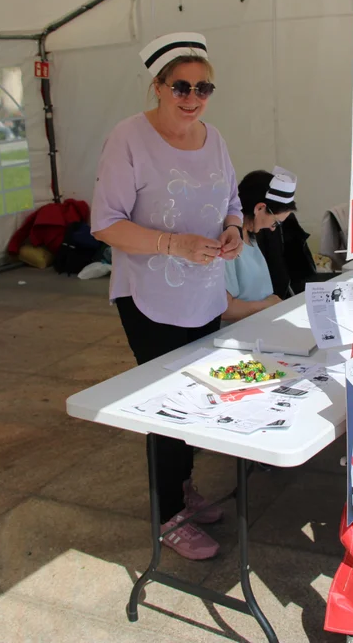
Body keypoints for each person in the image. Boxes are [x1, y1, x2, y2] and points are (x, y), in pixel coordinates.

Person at [91, 32, 243, 561]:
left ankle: (182, 488)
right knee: (167, 405)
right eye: (181, 85)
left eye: (204, 87)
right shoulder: (129, 138)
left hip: (204, 295)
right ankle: (167, 514)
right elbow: (105, 224)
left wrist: (234, 229)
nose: (192, 96)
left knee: (198, 397)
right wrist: (172, 244)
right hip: (148, 297)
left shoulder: (215, 137)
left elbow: (232, 198)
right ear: (157, 86)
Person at [223, 168, 298, 320]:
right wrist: (267, 305)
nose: (272, 228)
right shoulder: (228, 242)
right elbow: (225, 310)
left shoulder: (251, 237)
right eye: (275, 222)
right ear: (260, 208)